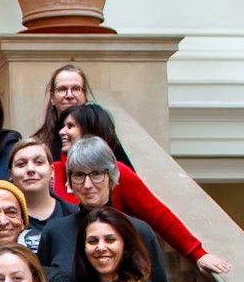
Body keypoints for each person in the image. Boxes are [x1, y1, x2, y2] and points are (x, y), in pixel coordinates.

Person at [53, 104, 225, 272]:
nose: (62, 131)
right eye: (78, 176)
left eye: (70, 126)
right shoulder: (51, 173)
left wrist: (197, 253)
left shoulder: (120, 173)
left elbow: (158, 214)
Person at [37, 137, 170, 282]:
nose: (87, 184)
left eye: (96, 174)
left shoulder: (139, 232)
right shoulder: (54, 231)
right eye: (78, 175)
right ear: (69, 180)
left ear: (111, 177)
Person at [7, 138, 74, 251]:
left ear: (52, 170)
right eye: (21, 164)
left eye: (39, 162)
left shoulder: (73, 215)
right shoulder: (2, 219)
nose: (30, 169)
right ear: (10, 174)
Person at [36, 63, 91, 154]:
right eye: (62, 89)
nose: (69, 95)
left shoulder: (102, 133)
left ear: (85, 95)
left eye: (76, 88)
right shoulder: (39, 143)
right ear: (52, 98)